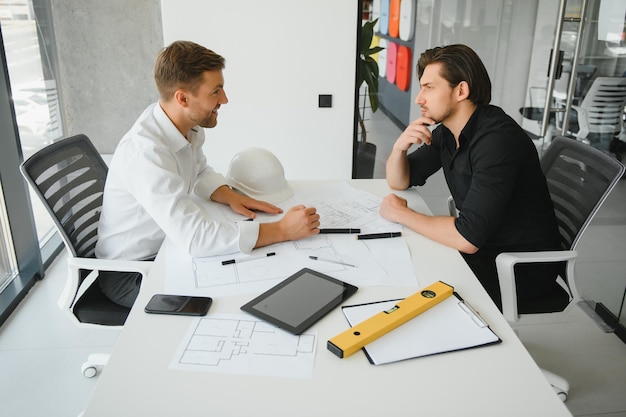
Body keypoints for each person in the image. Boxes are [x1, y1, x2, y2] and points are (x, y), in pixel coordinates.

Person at [95, 40, 320, 308]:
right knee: (228, 301)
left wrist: (228, 196)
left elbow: (198, 169)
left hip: (167, 248)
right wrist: (282, 230)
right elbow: (197, 238)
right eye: (216, 92)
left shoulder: (184, 123)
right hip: (131, 273)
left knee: (246, 271)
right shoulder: (147, 154)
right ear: (183, 98)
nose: (224, 100)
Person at [381, 44, 568, 313]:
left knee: (412, 284)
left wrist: (402, 214)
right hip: (486, 245)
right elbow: (401, 180)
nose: (419, 98)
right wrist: (400, 147)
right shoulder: (448, 131)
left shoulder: (497, 141)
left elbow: (467, 238)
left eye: (429, 87)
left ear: (461, 90)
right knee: (405, 263)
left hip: (517, 268)